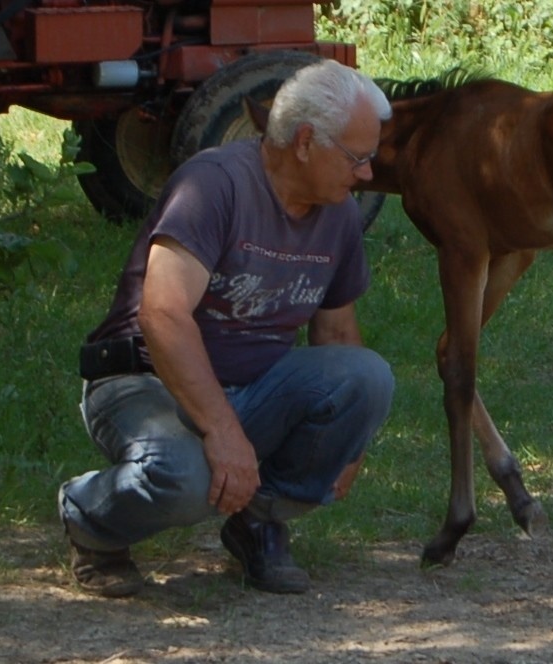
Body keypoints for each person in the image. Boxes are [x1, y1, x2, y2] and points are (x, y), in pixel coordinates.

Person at [58, 59, 395, 597]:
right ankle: (90, 518)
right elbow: (162, 314)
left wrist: (351, 446)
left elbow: (337, 336)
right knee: (185, 478)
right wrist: (222, 432)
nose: (367, 175)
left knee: (367, 377)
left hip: (251, 388)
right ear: (305, 142)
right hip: (144, 379)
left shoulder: (339, 215)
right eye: (357, 158)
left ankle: (257, 522)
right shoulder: (214, 185)